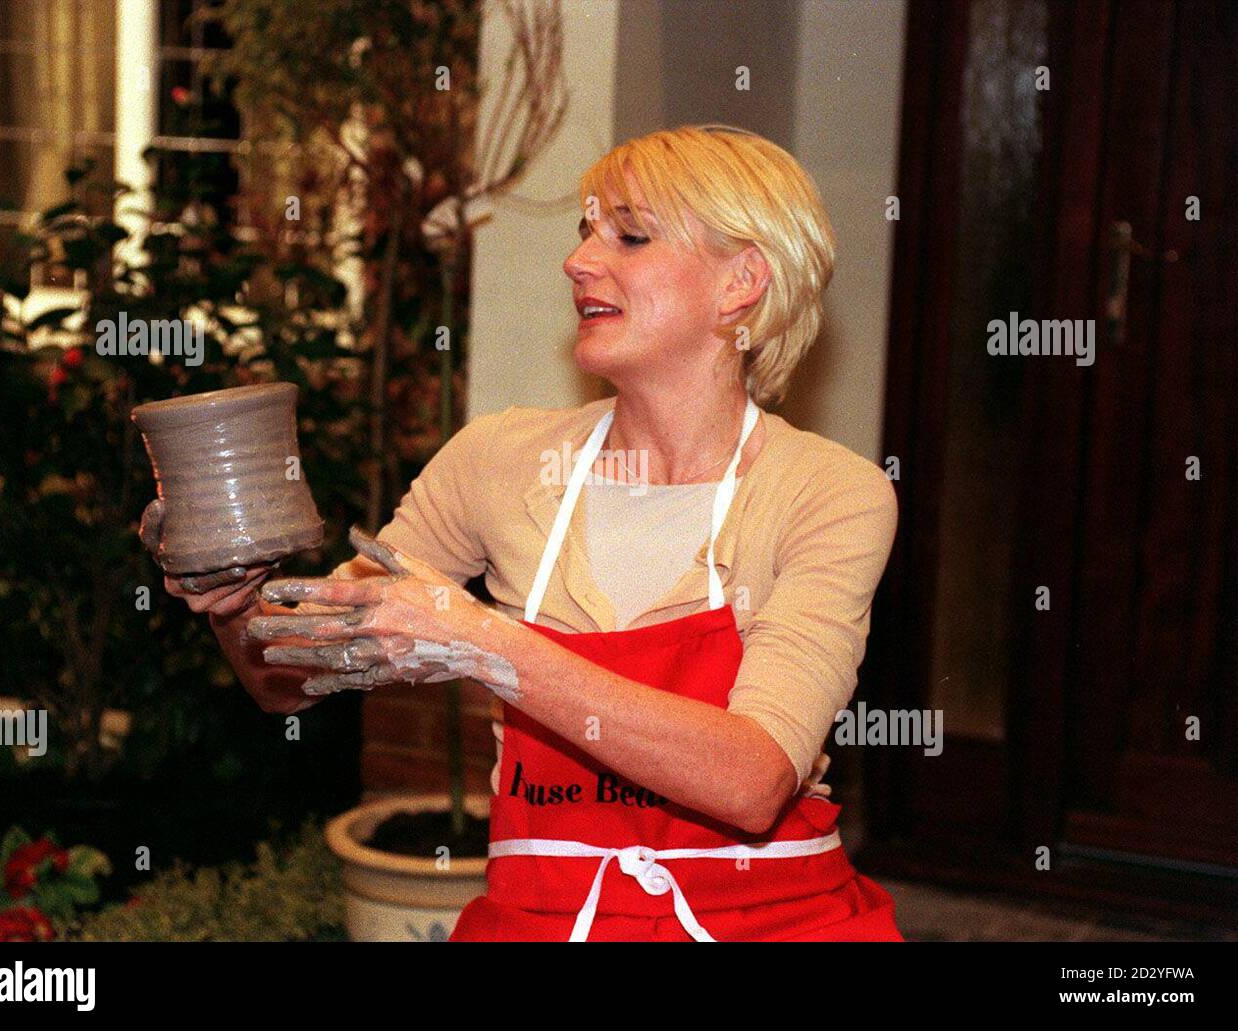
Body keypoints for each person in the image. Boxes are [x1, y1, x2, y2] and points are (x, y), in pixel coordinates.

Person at [148, 125, 903, 941]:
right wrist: (233, 600)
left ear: (741, 283)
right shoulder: (498, 461)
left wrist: (482, 643)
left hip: (768, 922)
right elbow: (288, 679)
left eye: (631, 235)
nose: (579, 262)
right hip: (545, 920)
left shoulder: (827, 493)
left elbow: (753, 777)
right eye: (584, 233)